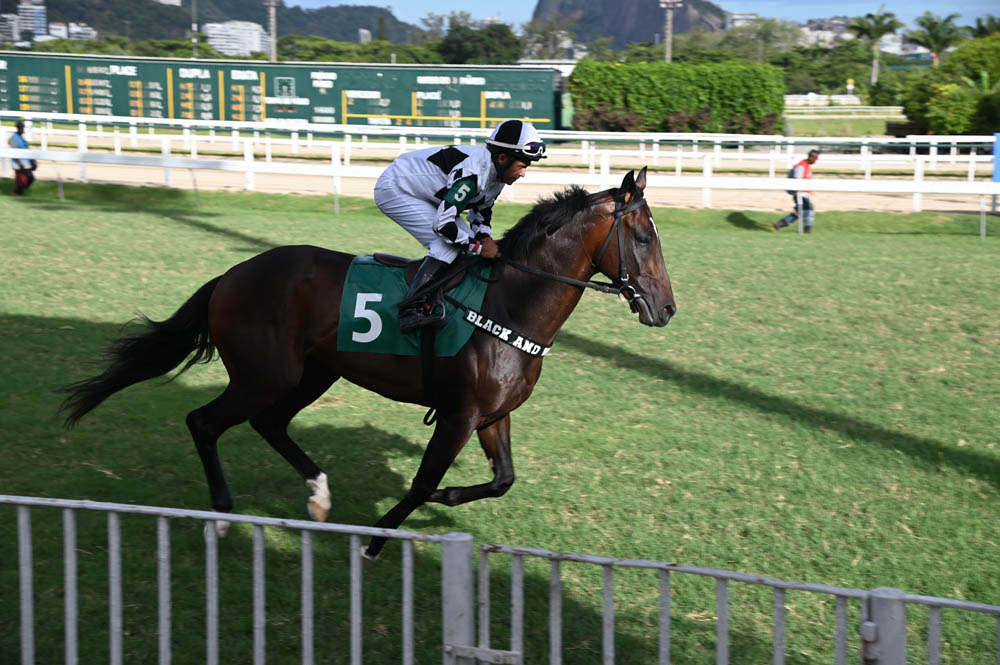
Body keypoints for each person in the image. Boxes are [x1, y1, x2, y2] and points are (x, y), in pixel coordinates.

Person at [374, 119, 546, 332]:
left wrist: (484, 238)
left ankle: (444, 298)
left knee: (463, 242)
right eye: (522, 166)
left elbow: (481, 213)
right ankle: (412, 308)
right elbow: (443, 225)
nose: (523, 173)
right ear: (503, 158)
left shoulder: (498, 174)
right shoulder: (473, 175)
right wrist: (479, 248)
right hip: (396, 189)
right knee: (448, 245)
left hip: (426, 194)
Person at [772, 149, 819, 233]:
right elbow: (796, 179)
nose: (816, 161)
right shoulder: (801, 166)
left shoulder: (806, 166)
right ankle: (807, 230)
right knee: (809, 209)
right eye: (815, 159)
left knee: (800, 212)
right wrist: (797, 192)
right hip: (800, 194)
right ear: (811, 157)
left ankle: (777, 225)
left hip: (804, 194)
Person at [8, 120, 36, 195]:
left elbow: (26, 149)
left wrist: (32, 159)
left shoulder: (21, 137)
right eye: (21, 128)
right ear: (18, 128)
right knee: (27, 178)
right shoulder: (14, 137)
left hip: (25, 161)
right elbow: (14, 152)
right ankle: (17, 190)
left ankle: (17, 191)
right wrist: (20, 163)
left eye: (23, 128)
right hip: (18, 163)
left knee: (27, 179)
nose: (23, 130)